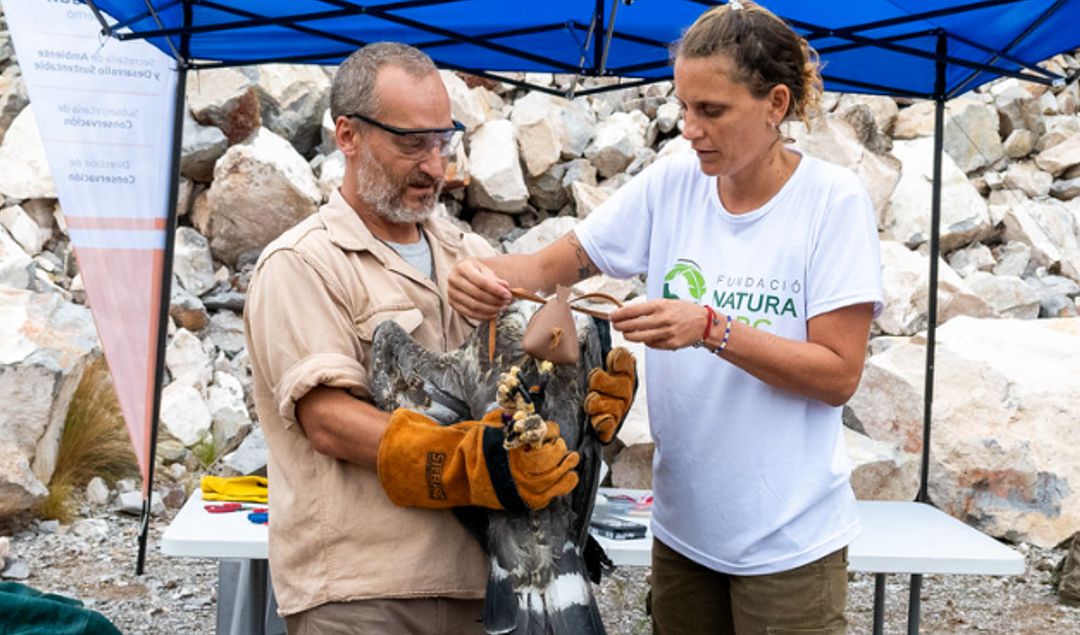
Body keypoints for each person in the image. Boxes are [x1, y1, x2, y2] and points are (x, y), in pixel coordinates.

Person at [448, 3, 884, 633]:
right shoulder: (673, 184)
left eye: (712, 110)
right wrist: (483, 274)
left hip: (789, 543)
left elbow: (839, 375)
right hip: (683, 536)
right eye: (684, 107)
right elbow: (555, 265)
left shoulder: (831, 202)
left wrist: (711, 329)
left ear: (776, 103)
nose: (690, 128)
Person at [243, 42, 625, 635]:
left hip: (484, 584)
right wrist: (476, 462)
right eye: (409, 143)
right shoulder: (302, 263)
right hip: (367, 595)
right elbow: (327, 421)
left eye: (441, 141)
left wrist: (581, 406)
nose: (434, 165)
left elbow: (515, 394)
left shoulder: (470, 253)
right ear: (347, 135)